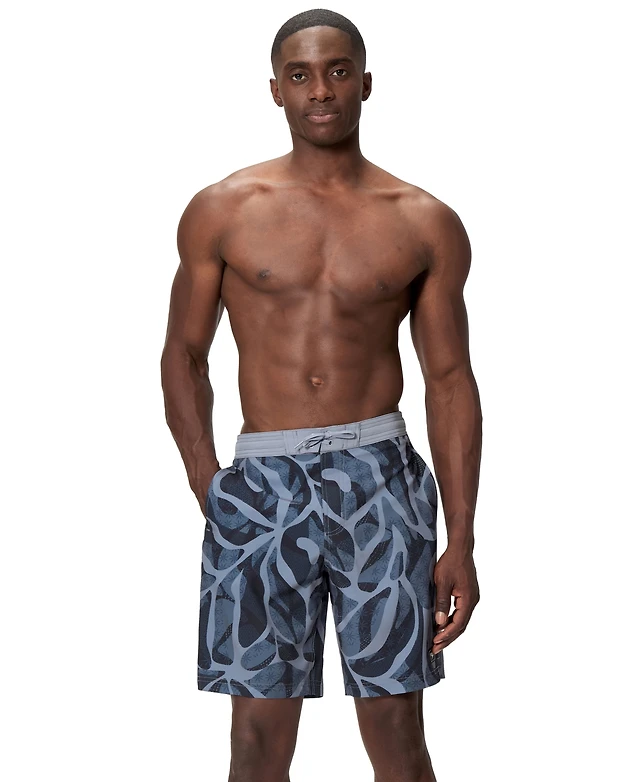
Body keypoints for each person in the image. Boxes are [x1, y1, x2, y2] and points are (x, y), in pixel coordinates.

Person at [160, 8, 482, 781]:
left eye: (338, 72)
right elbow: (184, 354)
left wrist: (462, 538)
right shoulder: (224, 209)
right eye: (300, 75)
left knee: (397, 730)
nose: (321, 91)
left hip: (381, 483)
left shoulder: (424, 221)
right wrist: (209, 483)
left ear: (365, 83)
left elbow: (449, 381)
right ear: (276, 89)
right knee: (255, 740)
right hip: (262, 483)